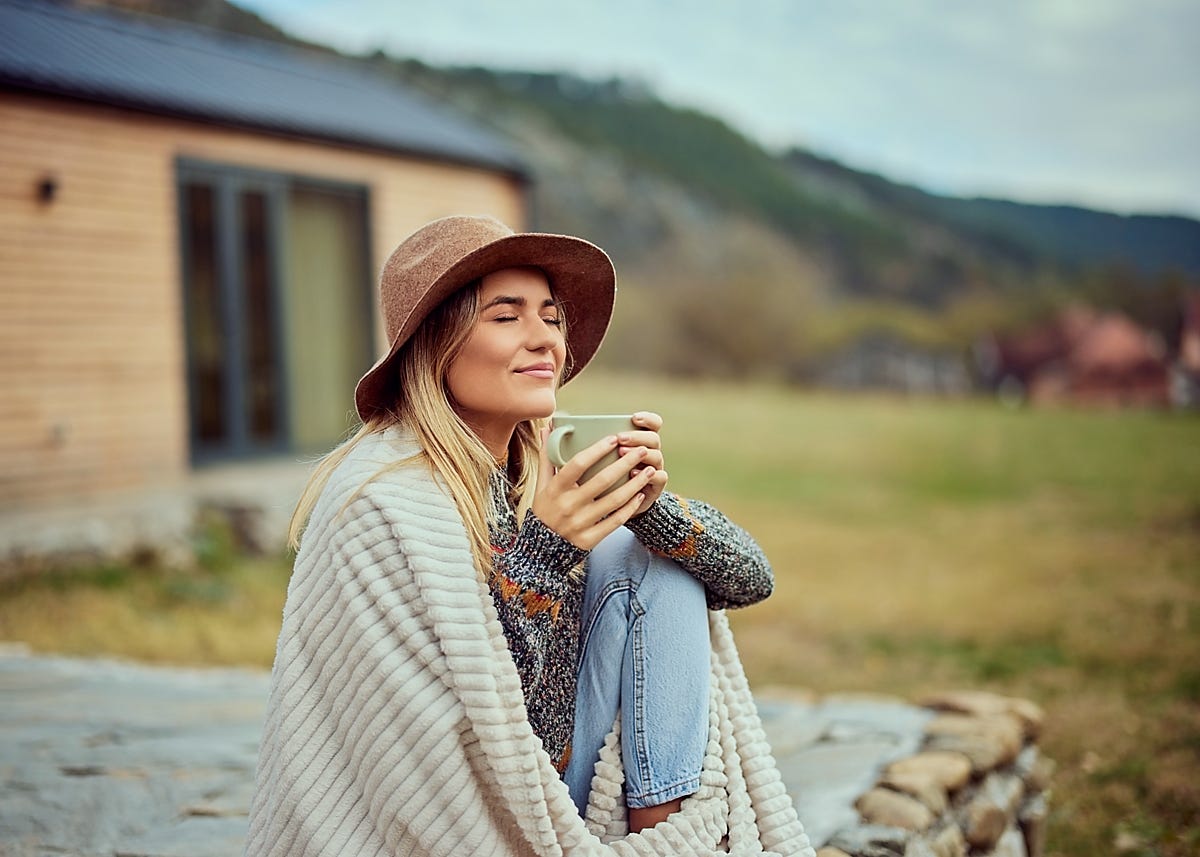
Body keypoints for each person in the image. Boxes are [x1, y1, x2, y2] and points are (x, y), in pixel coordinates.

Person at [244, 216, 813, 857]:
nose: (545, 339)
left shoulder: (545, 464)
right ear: (437, 343)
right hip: (469, 802)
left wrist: (647, 508)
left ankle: (669, 834)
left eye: (551, 316)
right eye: (506, 316)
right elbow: (506, 751)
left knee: (654, 561)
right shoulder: (385, 501)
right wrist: (542, 555)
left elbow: (750, 580)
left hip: (566, 771)